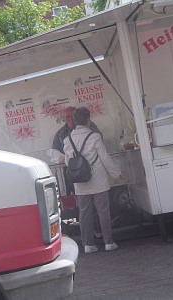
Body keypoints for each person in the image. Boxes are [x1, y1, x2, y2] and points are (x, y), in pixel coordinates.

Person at [63, 107, 124, 254]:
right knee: (103, 212)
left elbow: (67, 162)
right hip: (98, 180)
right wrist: (117, 173)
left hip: (80, 183)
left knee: (84, 213)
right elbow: (105, 158)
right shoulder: (94, 137)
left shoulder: (67, 140)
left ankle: (88, 245)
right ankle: (108, 242)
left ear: (75, 121)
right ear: (88, 120)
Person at [52, 106, 103, 237]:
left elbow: (101, 143)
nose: (69, 119)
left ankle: (98, 231)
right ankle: (88, 234)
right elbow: (56, 153)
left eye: (71, 116)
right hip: (75, 175)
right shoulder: (60, 134)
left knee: (98, 206)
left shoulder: (91, 127)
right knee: (83, 207)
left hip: (93, 172)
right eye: (67, 117)